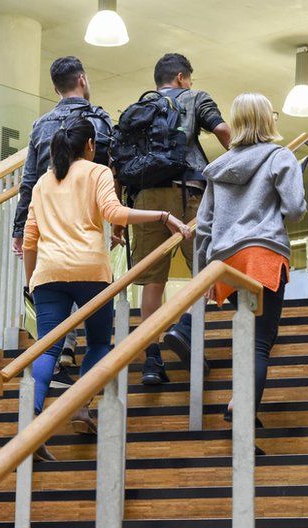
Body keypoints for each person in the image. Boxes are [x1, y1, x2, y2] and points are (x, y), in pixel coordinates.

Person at [23, 118, 190, 461]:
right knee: (98, 343)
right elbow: (115, 212)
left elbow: (29, 240)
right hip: (89, 271)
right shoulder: (97, 172)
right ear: (89, 146)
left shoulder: (42, 182)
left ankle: (33, 420)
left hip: (48, 274)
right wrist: (163, 216)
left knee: (48, 349)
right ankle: (81, 408)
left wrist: (30, 281)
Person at [195, 93, 306, 454]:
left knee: (247, 339)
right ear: (267, 120)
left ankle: (239, 401)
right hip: (263, 256)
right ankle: (240, 412)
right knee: (260, 342)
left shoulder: (219, 167)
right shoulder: (280, 157)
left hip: (226, 263)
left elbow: (204, 225)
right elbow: (295, 209)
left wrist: (204, 273)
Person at [127, 52, 231, 385]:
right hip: (188, 194)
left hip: (145, 198)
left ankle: (151, 360)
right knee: (205, 273)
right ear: (183, 78)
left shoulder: (141, 108)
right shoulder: (194, 97)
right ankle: (186, 329)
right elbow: (222, 129)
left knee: (151, 282)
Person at [12, 56, 114, 388]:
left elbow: (28, 180)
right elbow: (112, 168)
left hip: (45, 221)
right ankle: (77, 376)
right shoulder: (97, 121)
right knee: (93, 306)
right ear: (82, 79)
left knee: (52, 303)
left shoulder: (41, 125)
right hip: (85, 223)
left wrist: (19, 228)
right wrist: (121, 223)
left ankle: (59, 359)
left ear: (55, 88)